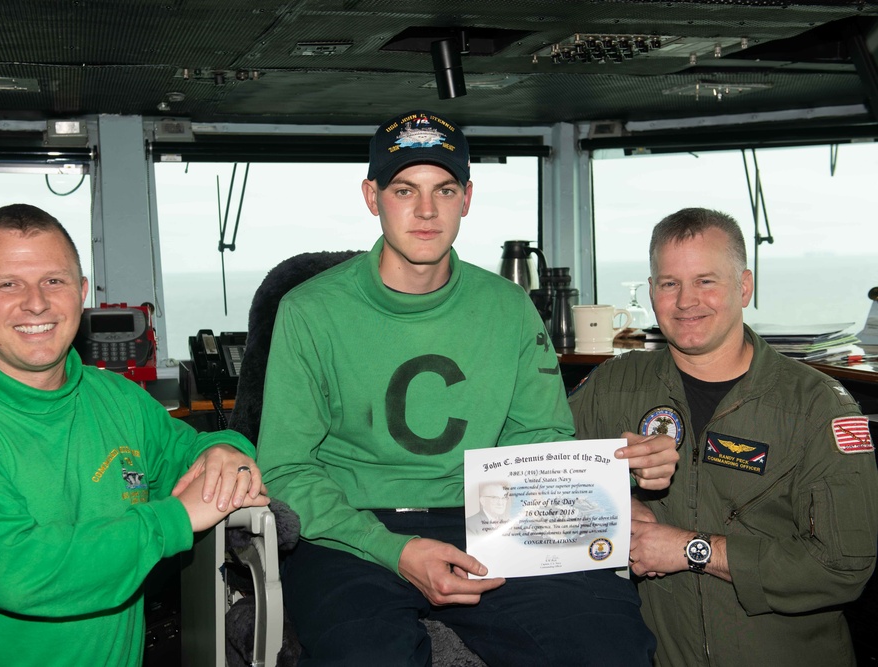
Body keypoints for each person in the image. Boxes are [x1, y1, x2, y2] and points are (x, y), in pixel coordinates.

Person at [255, 109, 675, 666]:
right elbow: (286, 468)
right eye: (405, 189)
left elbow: (539, 440)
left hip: (491, 519)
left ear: (467, 198)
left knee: (607, 643)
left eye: (444, 190)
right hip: (350, 530)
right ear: (370, 195)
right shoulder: (309, 311)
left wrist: (606, 475)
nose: (427, 211)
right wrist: (395, 550)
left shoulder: (509, 308)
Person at [0, 204, 269, 666]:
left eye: (54, 281)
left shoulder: (117, 399)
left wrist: (227, 447)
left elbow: (194, 450)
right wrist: (175, 520)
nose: (36, 303)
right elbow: (23, 574)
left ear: (81, 292)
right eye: (8, 284)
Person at [568, 207, 878, 665]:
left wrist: (692, 549)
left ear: (745, 287)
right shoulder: (613, 387)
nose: (686, 301)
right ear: (652, 292)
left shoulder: (818, 407)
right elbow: (530, 479)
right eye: (670, 283)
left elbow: (843, 565)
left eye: (706, 281)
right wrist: (613, 499)